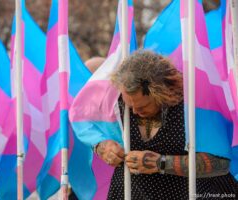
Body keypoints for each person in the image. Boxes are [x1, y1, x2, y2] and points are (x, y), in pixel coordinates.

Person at [93, 50, 238, 199]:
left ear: (163, 93)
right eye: (129, 106)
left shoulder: (193, 103)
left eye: (143, 106)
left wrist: (161, 163)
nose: (134, 112)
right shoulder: (118, 101)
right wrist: (101, 146)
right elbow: (87, 125)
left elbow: (221, 163)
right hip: (130, 192)